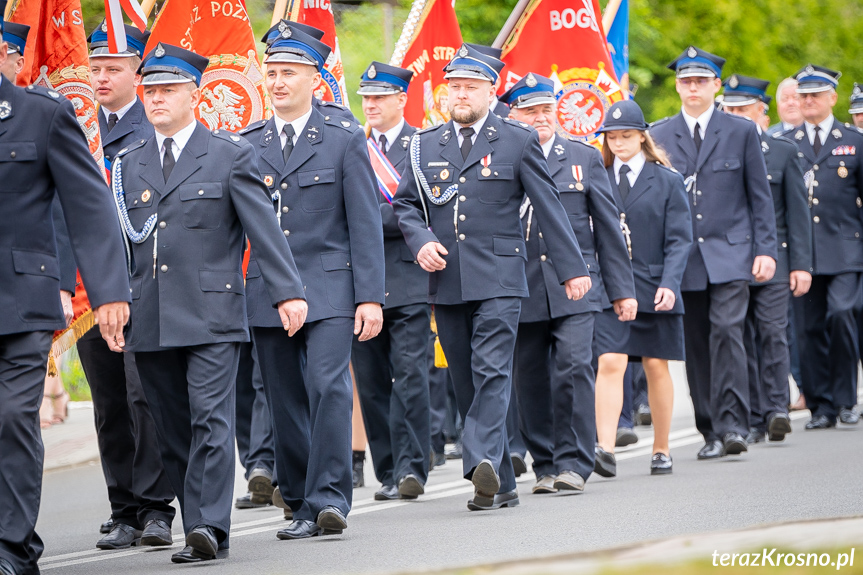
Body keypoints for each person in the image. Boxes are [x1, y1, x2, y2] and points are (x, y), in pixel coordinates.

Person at [115, 42, 307, 563]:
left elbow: (262, 230)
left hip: (212, 313)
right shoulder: (126, 164)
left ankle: (206, 526)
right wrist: (112, 302)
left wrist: (288, 291)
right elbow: (116, 242)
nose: (155, 98)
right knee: (170, 426)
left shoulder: (229, 154)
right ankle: (195, 511)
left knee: (211, 421)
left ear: (193, 95)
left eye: (167, 90)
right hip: (149, 313)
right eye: (149, 90)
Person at [393, 44, 590, 511]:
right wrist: (420, 240)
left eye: (470, 87)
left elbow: (549, 207)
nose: (460, 94)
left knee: (493, 370)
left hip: (502, 275)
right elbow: (404, 204)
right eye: (454, 86)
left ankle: (479, 456)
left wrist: (572, 269)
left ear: (491, 90)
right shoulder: (425, 144)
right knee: (464, 378)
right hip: (448, 277)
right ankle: (500, 483)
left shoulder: (518, 139)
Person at [240, 22, 385, 539]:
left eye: (289, 73)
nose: (278, 82)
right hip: (265, 291)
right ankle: (299, 498)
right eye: (272, 73)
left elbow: (365, 222)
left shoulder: (344, 138)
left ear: (314, 79)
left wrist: (369, 298)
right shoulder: (245, 144)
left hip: (330, 286)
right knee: (283, 399)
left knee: (327, 386)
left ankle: (329, 499)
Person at [0, 5, 132, 573]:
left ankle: (9, 545)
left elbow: (90, 206)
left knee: (8, 417)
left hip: (22, 302)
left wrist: (107, 293)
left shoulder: (40, 115)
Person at [499, 74, 636, 494]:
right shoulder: (499, 159)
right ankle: (545, 463)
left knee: (574, 367)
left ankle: (575, 462)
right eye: (529, 111)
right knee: (530, 377)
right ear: (513, 114)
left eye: (545, 109)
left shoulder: (582, 156)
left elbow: (608, 228)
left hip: (577, 285)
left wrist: (622, 289)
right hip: (522, 285)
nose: (540, 118)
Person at [650, 46, 777, 460]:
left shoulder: (741, 131)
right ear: (677, 85)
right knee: (697, 344)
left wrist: (766, 249)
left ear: (716, 86)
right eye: (686, 81)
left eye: (701, 81)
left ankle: (734, 425)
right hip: (683, 259)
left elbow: (760, 197)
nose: (693, 88)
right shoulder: (661, 134)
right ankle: (709, 429)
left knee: (728, 332)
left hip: (732, 253)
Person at [82, 21, 178, 550]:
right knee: (109, 402)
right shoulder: (73, 121)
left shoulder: (156, 124)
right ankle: (123, 507)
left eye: (112, 68)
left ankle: (155, 506)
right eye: (93, 68)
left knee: (147, 396)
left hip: (146, 280)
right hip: (90, 286)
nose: (99, 77)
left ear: (138, 72)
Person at [593, 100, 692, 476]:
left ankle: (662, 448)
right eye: (612, 137)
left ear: (642, 137)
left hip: (655, 285)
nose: (618, 143)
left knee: (655, 364)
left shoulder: (666, 179)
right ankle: (604, 447)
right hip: (611, 286)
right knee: (610, 360)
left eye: (627, 136)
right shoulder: (596, 175)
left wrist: (670, 283)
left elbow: (680, 239)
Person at [351, 61, 432, 501]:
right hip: (361, 283)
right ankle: (386, 469)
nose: (372, 105)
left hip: (409, 279)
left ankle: (412, 467)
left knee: (412, 375)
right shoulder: (351, 145)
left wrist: (373, 218)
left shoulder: (421, 146)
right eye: (366, 97)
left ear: (402, 99)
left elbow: (421, 211)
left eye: (381, 97)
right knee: (372, 380)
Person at [721, 74, 812, 444]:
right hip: (731, 260)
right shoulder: (719, 151)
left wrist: (802, 265)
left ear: (762, 111)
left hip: (776, 256)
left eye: (744, 109)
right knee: (740, 338)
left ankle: (776, 408)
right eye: (731, 109)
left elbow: (797, 213)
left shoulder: (782, 151)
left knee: (773, 333)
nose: (737, 115)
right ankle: (755, 415)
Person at [789, 64, 863, 429]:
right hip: (803, 254)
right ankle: (821, 405)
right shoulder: (788, 143)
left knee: (841, 314)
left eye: (815, 95)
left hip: (847, 250)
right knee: (807, 328)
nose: (808, 101)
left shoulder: (854, 140)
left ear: (832, 98)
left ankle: (846, 398)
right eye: (803, 95)